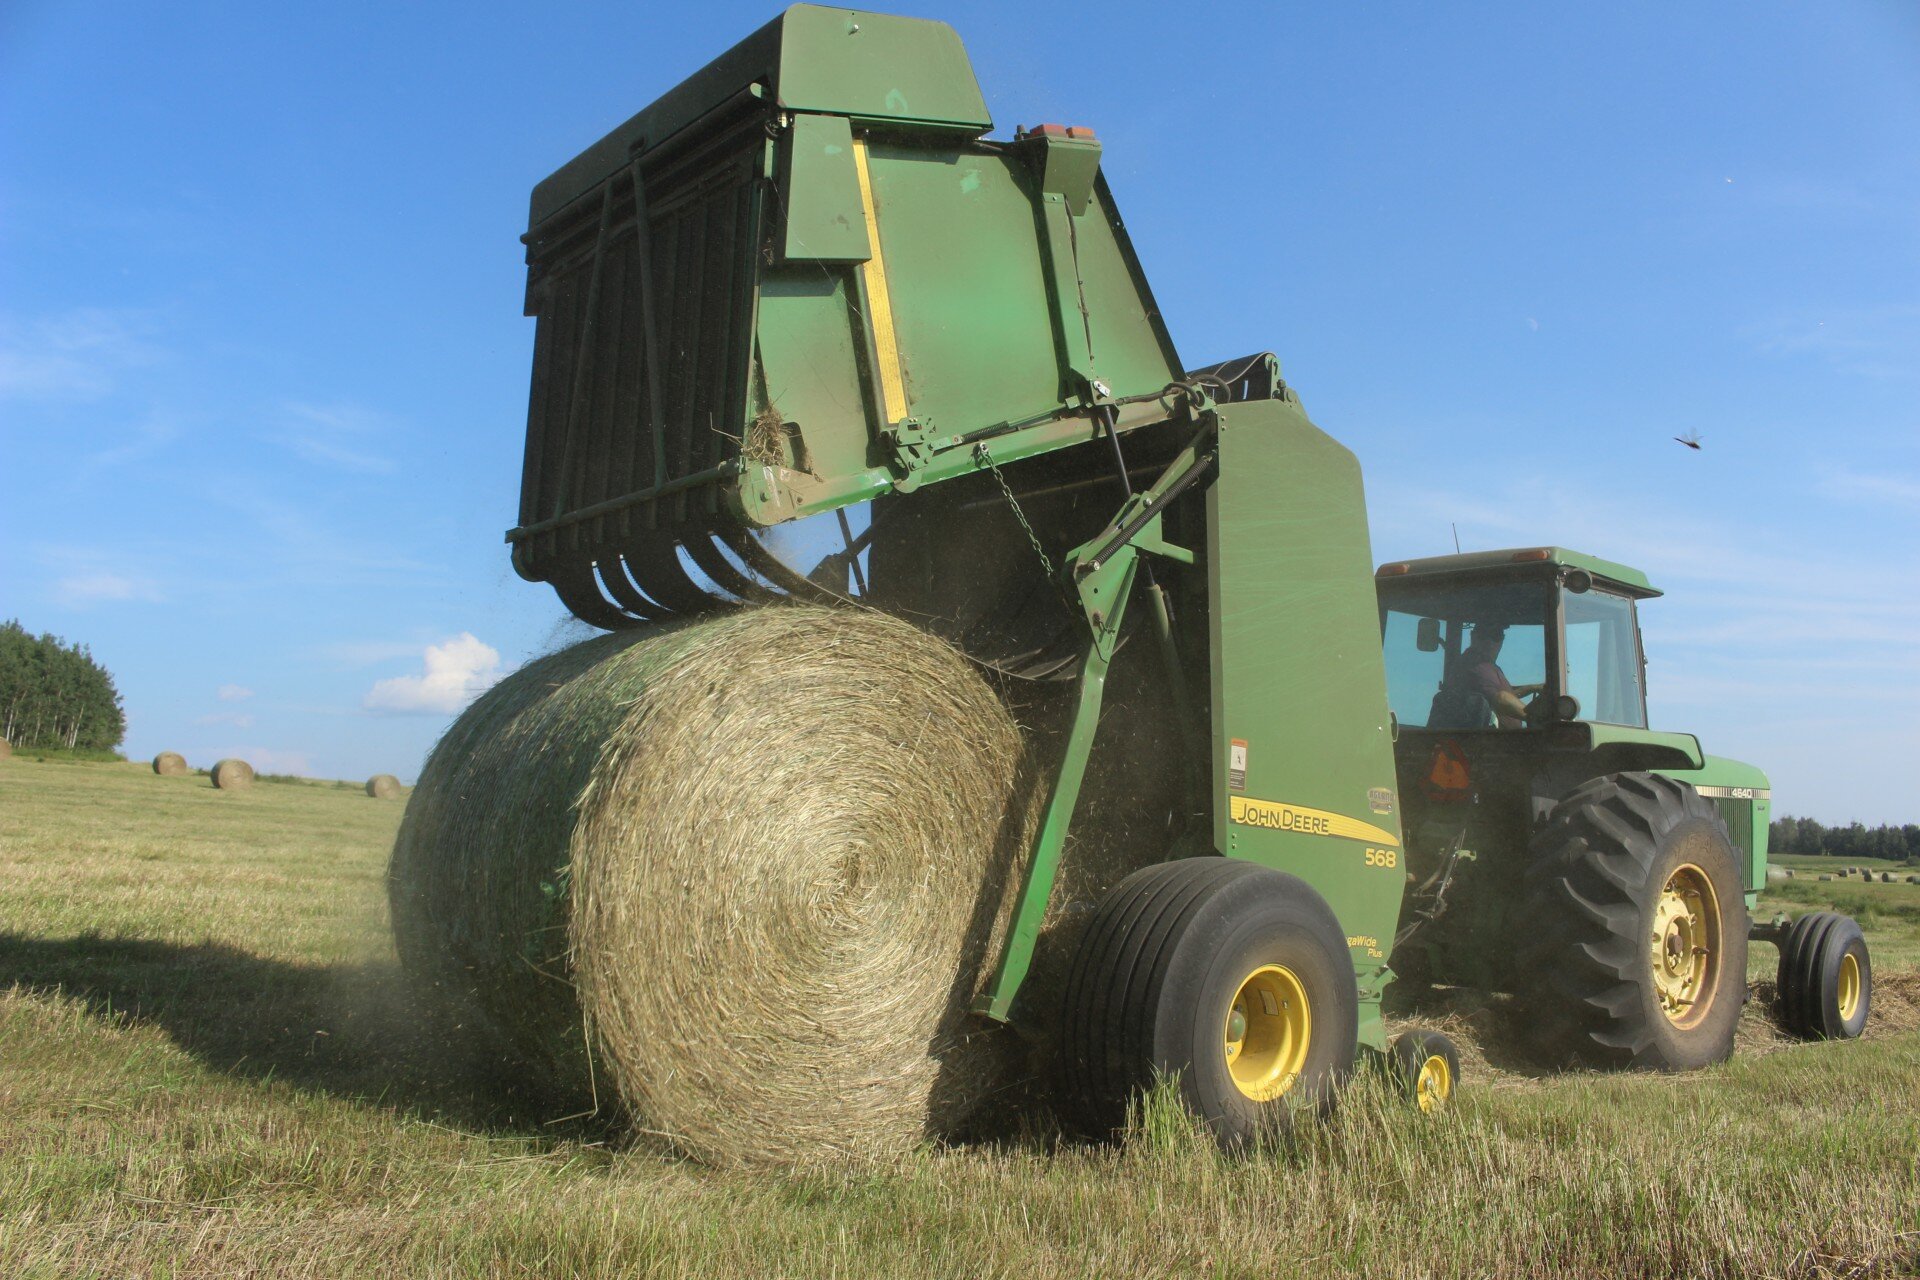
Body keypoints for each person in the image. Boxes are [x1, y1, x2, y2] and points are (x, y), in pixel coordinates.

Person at [1443, 623, 1543, 729]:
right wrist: (1536, 718)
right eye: (1483, 635)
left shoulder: (1487, 665)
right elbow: (1501, 699)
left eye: (1496, 636)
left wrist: (1533, 687)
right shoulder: (1474, 665)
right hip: (1490, 740)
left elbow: (1504, 693)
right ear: (1473, 636)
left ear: (1502, 640)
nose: (1489, 642)